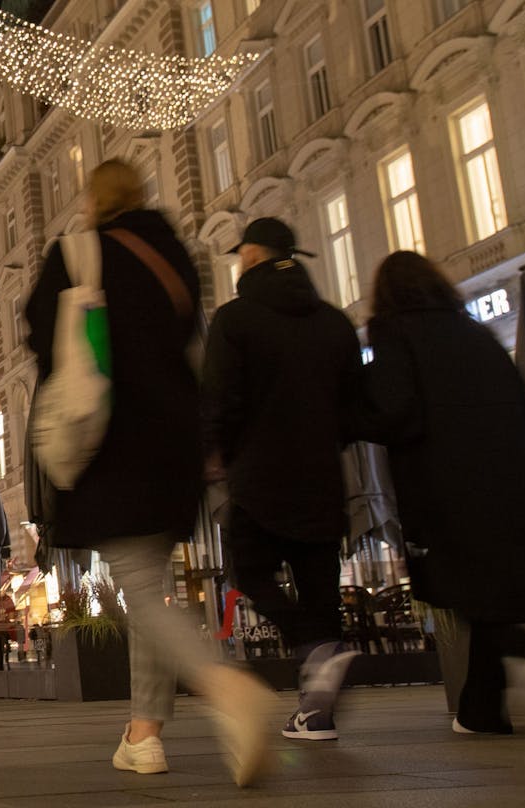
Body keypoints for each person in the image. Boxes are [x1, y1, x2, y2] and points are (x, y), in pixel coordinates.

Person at [23, 161, 274, 786]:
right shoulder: (176, 256)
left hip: (112, 436)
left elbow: (36, 333)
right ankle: (145, 735)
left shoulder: (78, 250)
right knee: (149, 584)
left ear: (93, 201)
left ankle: (226, 688)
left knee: (138, 583)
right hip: (176, 439)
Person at [359, 251, 525, 734]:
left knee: (462, 589)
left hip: (445, 484)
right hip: (504, 481)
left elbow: (398, 412)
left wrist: (354, 412)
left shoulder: (394, 332)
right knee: (488, 591)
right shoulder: (477, 332)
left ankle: (523, 658)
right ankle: (481, 711)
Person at [202, 215, 365, 744]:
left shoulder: (235, 319)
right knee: (320, 588)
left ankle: (314, 650)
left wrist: (214, 452)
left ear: (251, 255)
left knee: (248, 571)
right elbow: (353, 404)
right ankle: (317, 713)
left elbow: (221, 399)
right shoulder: (335, 322)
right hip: (321, 474)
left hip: (260, 474)